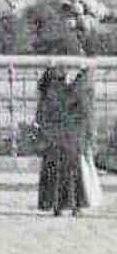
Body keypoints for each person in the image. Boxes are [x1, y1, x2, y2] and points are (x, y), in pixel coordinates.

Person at [36, 65, 79, 216]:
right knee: (70, 174)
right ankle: (72, 206)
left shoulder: (45, 96)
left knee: (53, 174)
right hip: (66, 138)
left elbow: (40, 118)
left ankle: (56, 206)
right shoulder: (65, 92)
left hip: (52, 140)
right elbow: (74, 111)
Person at [67, 60, 102, 214]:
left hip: (75, 129)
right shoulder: (86, 83)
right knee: (81, 168)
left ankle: (76, 203)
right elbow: (86, 110)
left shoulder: (80, 82)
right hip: (80, 130)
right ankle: (79, 203)